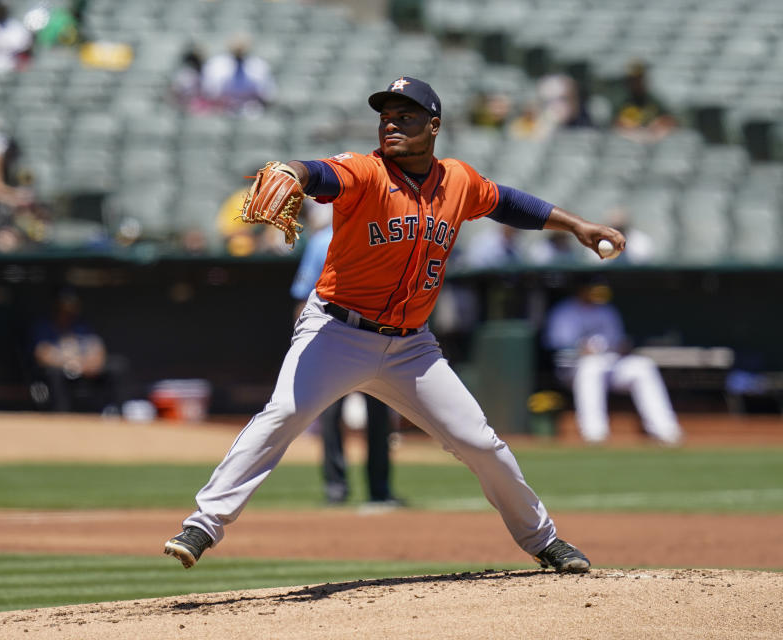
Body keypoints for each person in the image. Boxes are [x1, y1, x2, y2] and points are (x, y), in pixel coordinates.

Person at [164, 76, 627, 573]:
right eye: (385, 115)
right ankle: (203, 524)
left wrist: (577, 224)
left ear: (434, 125)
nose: (391, 123)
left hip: (412, 349)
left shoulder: (459, 181)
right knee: (282, 416)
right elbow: (320, 173)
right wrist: (294, 171)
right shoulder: (365, 172)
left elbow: (510, 203)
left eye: (405, 115)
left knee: (480, 442)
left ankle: (545, 542)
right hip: (336, 332)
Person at [290, 201, 401, 507]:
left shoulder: (378, 236)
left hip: (371, 335)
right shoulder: (323, 241)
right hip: (333, 335)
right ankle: (345, 487)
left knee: (373, 415)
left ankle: (370, 488)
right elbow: (302, 294)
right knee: (335, 415)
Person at [543, 280, 683, 446]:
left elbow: (617, 342)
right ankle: (594, 433)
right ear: (581, 290)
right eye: (593, 290)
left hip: (607, 364)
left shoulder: (607, 310)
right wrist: (580, 349)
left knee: (643, 366)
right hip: (572, 368)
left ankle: (665, 431)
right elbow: (556, 345)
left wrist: (621, 348)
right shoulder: (565, 312)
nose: (597, 295)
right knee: (592, 366)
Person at [29, 288, 126, 414]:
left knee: (117, 366)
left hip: (85, 369)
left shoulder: (82, 327)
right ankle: (61, 413)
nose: (67, 312)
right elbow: (42, 356)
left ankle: (115, 411)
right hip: (60, 370)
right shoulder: (44, 327)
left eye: (71, 308)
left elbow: (98, 351)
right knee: (54, 374)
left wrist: (86, 365)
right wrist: (69, 364)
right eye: (63, 307)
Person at [200, 33, 275, 115]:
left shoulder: (259, 66)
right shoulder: (216, 64)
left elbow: (267, 94)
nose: (239, 49)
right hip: (223, 110)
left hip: (251, 111)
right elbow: (209, 93)